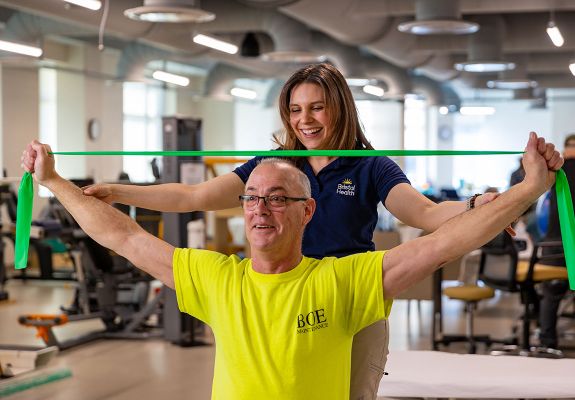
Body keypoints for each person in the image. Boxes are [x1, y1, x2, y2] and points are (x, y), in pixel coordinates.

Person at [81, 63, 509, 399]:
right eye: (295, 109)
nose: (305, 120)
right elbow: (193, 196)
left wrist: (475, 205)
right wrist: (117, 191)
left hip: (347, 300)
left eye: (317, 107)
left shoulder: (371, 166)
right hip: (282, 299)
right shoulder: (275, 167)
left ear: (340, 107)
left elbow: (426, 215)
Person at [21, 133, 562, 399]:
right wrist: (54, 182)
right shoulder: (215, 278)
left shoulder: (345, 280)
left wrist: (527, 189)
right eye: (252, 197)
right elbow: (122, 234)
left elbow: (438, 242)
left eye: (277, 199)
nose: (259, 208)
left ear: (308, 211)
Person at [538, 133, 575, 351]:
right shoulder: (559, 170)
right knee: (552, 291)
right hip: (561, 247)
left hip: (552, 247)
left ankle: (546, 341)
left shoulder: (557, 171)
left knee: (551, 293)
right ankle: (546, 340)